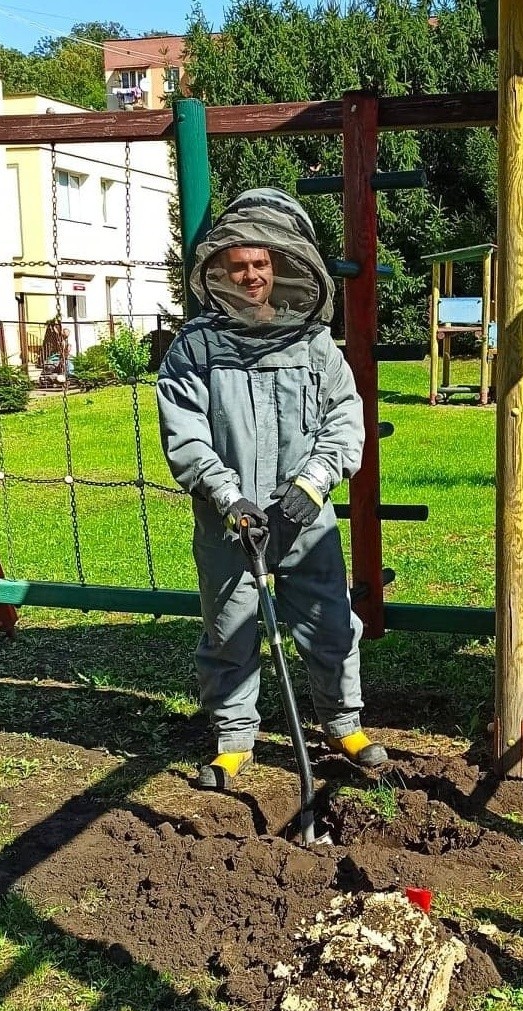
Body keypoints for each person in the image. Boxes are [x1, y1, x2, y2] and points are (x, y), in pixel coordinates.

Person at [156, 187, 387, 789]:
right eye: (239, 265)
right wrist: (228, 497)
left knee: (330, 621)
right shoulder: (196, 348)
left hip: (304, 516)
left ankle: (343, 724)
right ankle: (234, 740)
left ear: (281, 265)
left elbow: (345, 418)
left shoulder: (313, 343)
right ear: (220, 269)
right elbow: (185, 432)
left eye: (261, 263)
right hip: (230, 521)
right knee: (229, 626)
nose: (251, 274)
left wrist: (311, 485)